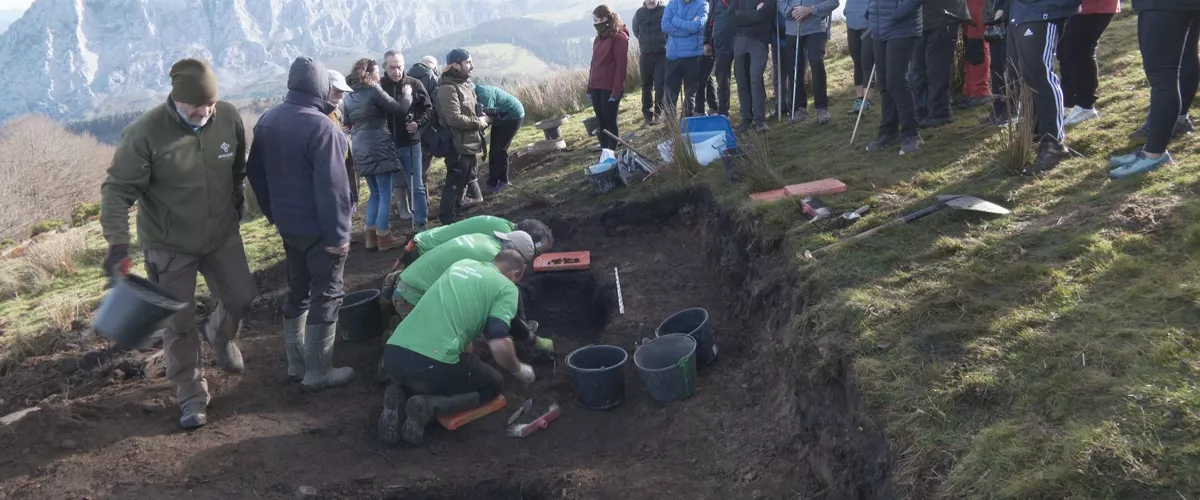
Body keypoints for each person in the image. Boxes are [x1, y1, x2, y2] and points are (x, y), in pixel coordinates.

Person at [99, 58, 256, 429]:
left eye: (210, 105)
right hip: (169, 245)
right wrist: (118, 247)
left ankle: (219, 333)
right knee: (178, 321)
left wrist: (237, 200)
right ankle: (191, 394)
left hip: (221, 234)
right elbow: (117, 191)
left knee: (241, 296)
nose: (204, 112)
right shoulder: (146, 133)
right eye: (196, 107)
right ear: (177, 100)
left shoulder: (228, 117)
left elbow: (237, 166)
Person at [246, 57, 357, 391]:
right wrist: (339, 235)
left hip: (289, 227)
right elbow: (334, 187)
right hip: (321, 230)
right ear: (320, 86)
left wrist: (273, 214)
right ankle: (319, 371)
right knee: (328, 294)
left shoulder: (267, 121)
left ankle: (296, 365)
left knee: (298, 291)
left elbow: (255, 174)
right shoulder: (323, 127)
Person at [378, 250, 539, 445]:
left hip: (394, 355)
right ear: (517, 274)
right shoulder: (507, 288)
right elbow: (499, 343)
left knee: (440, 372)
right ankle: (427, 407)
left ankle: (400, 391)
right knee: (493, 384)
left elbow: (462, 325)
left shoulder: (462, 265)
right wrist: (519, 370)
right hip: (432, 364)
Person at [1109, 0, 1199, 178]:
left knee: (1162, 75)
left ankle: (1154, 154)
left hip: (1162, 5)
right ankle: (1166, 134)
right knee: (1186, 55)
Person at [343, 57, 418, 250]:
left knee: (374, 193)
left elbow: (348, 124)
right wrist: (407, 95)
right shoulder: (374, 90)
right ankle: (383, 237)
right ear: (369, 73)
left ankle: (370, 237)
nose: (380, 75)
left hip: (359, 147)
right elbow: (399, 109)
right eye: (377, 72)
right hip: (378, 145)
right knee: (385, 194)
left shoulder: (349, 96)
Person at [1006, 0, 1081, 175]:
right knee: (1028, 76)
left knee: (1041, 76)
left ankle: (1053, 144)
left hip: (1043, 11)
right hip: (1021, 12)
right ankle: (1037, 138)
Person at [381, 50, 434, 232]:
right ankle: (383, 229)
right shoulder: (379, 87)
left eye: (399, 66)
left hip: (411, 143)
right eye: (392, 67)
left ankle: (421, 223)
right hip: (386, 145)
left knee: (416, 184)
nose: (396, 71)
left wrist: (417, 124)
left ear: (404, 65)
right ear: (384, 67)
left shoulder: (415, 84)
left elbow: (428, 109)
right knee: (387, 187)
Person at [863, 0, 924, 155]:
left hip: (902, 29)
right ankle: (887, 132)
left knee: (896, 82)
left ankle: (911, 135)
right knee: (883, 84)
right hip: (878, 30)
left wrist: (896, 14)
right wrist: (870, 10)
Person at [436, 48, 489, 225]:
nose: (472, 66)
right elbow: (454, 118)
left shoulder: (465, 86)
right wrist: (478, 122)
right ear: (455, 65)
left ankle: (457, 216)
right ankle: (448, 221)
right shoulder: (447, 89)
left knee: (464, 182)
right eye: (468, 62)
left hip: (469, 144)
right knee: (454, 183)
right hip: (456, 145)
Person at [391, 215, 555, 270]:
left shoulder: (502, 225)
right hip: (424, 254)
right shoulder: (501, 237)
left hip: (422, 241)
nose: (533, 258)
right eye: (536, 253)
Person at [1057, 0, 1119, 126]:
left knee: (1081, 52)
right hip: (1070, 7)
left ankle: (1085, 105)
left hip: (1094, 6)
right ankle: (1068, 103)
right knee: (1064, 52)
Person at [909, 0, 968, 129]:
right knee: (918, 71)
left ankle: (940, 113)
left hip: (943, 18)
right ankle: (923, 112)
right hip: (919, 21)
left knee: (936, 69)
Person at [780, 0, 840, 125]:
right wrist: (792, 11)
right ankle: (800, 109)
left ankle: (822, 108)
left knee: (816, 62)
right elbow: (780, 3)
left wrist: (810, 9)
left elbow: (834, 2)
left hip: (816, 29)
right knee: (794, 68)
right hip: (792, 29)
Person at [588, 6, 631, 151]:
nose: (595, 24)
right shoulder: (598, 39)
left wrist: (616, 91)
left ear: (606, 19)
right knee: (600, 121)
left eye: (597, 20)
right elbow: (593, 64)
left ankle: (612, 150)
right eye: (594, 21)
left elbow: (621, 67)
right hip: (596, 86)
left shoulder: (619, 38)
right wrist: (590, 86)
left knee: (610, 120)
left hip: (609, 87)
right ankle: (604, 149)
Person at [730, 0, 777, 132]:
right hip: (739, 41)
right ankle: (746, 120)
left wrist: (741, 15)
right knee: (741, 82)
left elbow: (763, 15)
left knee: (755, 79)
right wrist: (753, 13)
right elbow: (731, 16)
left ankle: (760, 120)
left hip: (759, 41)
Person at [473, 83, 525, 193]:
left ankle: (504, 181)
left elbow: (486, 120)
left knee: (500, 149)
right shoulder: (475, 95)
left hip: (512, 115)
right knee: (493, 150)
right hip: (499, 119)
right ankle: (492, 182)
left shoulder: (484, 95)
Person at [662, 0, 710, 118]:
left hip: (693, 55)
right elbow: (665, 25)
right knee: (670, 93)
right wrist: (688, 30)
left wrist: (675, 20)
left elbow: (696, 26)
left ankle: (688, 122)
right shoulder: (672, 3)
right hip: (674, 55)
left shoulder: (702, 4)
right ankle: (671, 126)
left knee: (690, 94)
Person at [327, 70, 359, 213]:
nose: (341, 94)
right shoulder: (318, 118)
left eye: (342, 91)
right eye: (337, 90)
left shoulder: (337, 113)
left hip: (344, 177)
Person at [633, 0, 669, 125]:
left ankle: (658, 114)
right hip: (645, 55)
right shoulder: (639, 13)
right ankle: (647, 116)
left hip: (662, 55)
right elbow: (636, 31)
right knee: (646, 85)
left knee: (660, 86)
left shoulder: (665, 11)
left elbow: (670, 30)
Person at [408, 55, 441, 188]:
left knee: (411, 164)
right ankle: (422, 199)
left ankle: (409, 199)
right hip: (426, 128)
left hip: (408, 128)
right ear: (434, 67)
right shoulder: (432, 78)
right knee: (424, 165)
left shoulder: (407, 77)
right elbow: (436, 104)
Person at [958, 0, 992, 110]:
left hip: (978, 6)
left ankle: (980, 91)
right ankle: (970, 89)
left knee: (977, 46)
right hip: (968, 6)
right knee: (970, 46)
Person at [706, 0, 737, 117]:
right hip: (720, 43)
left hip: (740, 39)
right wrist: (706, 42)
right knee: (722, 79)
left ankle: (749, 111)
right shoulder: (713, 2)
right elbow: (709, 21)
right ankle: (723, 112)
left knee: (744, 77)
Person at [843, 0, 873, 115]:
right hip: (852, 22)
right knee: (856, 60)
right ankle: (859, 99)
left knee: (866, 60)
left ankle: (867, 99)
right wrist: (847, 11)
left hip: (868, 24)